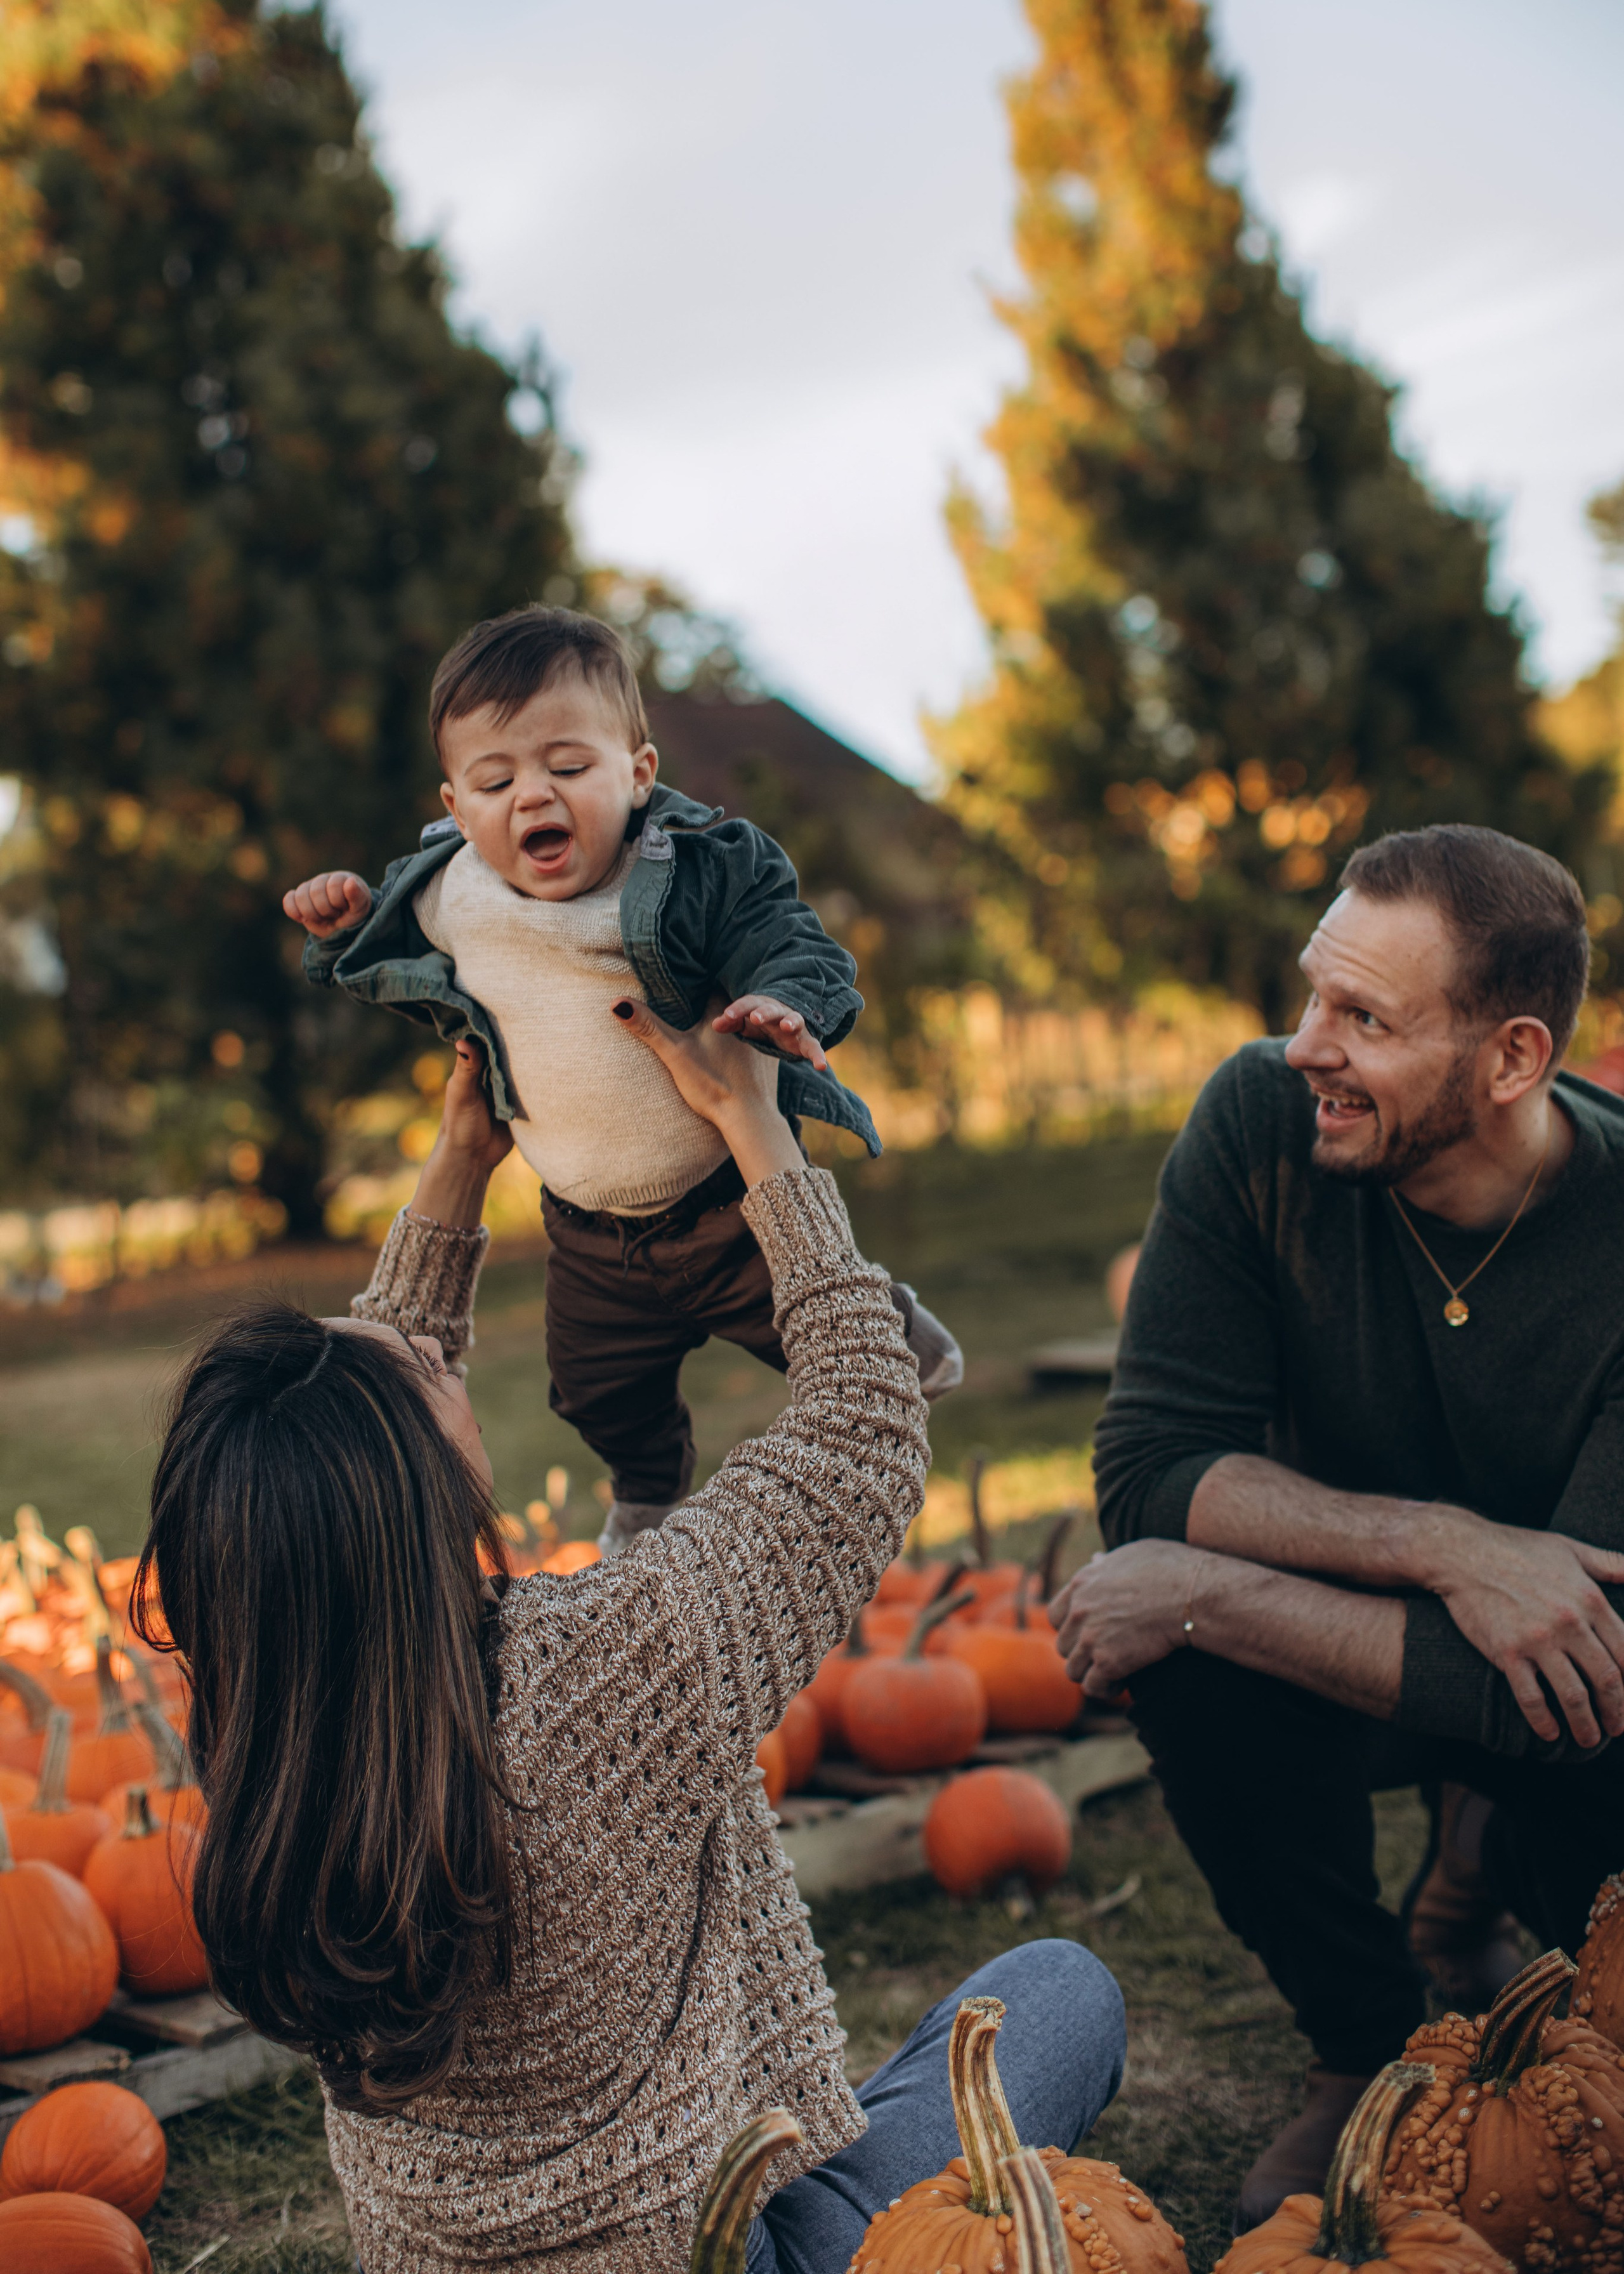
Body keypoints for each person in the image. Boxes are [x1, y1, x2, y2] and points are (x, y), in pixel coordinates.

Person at [138, 1013, 1124, 2273]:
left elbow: (351, 1454)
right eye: (422, 1370)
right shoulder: (603, 1672)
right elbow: (862, 1430)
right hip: (702, 2253)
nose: (427, 1343)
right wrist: (756, 1132)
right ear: (429, 1480)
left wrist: (458, 1163)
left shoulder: (252, 1721)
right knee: (1058, 1996)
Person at [1046, 824, 1624, 2230]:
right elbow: (1150, 1464)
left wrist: (1209, 1588)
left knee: (1584, 1952)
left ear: (1508, 1060)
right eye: (1314, 993)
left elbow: (1578, 1658)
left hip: (1575, 1711)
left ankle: (1481, 1867)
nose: (1305, 1044)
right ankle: (1361, 2039)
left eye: (1362, 1018)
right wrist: (1447, 1544)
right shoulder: (1259, 1120)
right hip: (1371, 1659)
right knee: (1175, 1655)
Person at [282, 603, 960, 1551]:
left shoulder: (696, 867)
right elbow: (375, 952)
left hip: (723, 1202)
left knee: (810, 1332)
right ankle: (648, 1489)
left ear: (638, 773)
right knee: (594, 1389)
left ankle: (887, 1326)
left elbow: (790, 937)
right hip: (588, 1230)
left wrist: (779, 1002)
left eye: (568, 769)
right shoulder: (448, 894)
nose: (532, 797)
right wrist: (342, 921)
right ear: (455, 807)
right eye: (496, 779)